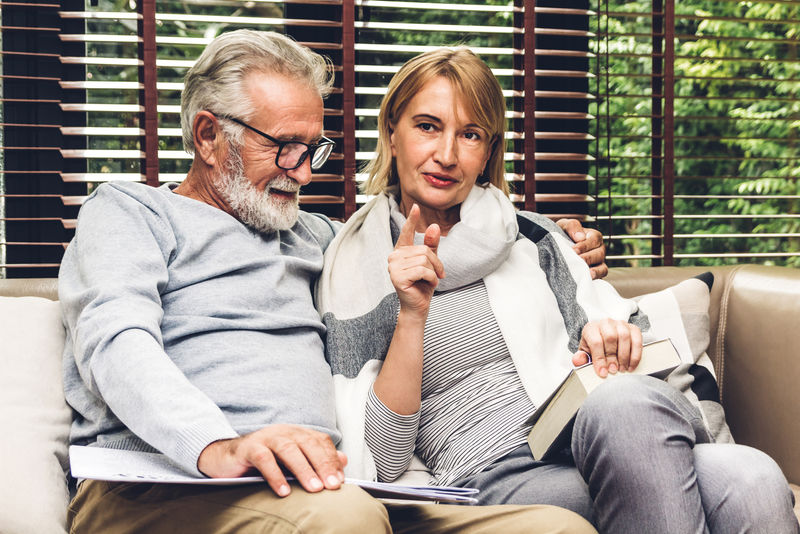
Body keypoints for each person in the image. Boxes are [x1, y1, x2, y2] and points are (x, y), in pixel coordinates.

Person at [59, 30, 603, 533]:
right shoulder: (130, 213)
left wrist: (552, 239)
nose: (304, 172)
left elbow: (427, 238)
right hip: (159, 482)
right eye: (285, 147)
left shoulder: (319, 238)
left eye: (313, 149)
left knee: (559, 528)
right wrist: (219, 445)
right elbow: (116, 343)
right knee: (343, 517)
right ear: (208, 135)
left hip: (323, 488)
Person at [315, 47, 800, 533]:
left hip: (592, 438)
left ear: (487, 152)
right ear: (391, 133)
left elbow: (645, 365)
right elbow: (382, 458)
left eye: (470, 134)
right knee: (644, 419)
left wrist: (611, 342)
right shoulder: (352, 264)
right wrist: (412, 313)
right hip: (491, 476)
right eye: (427, 126)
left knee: (751, 474)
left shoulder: (535, 237)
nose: (446, 154)